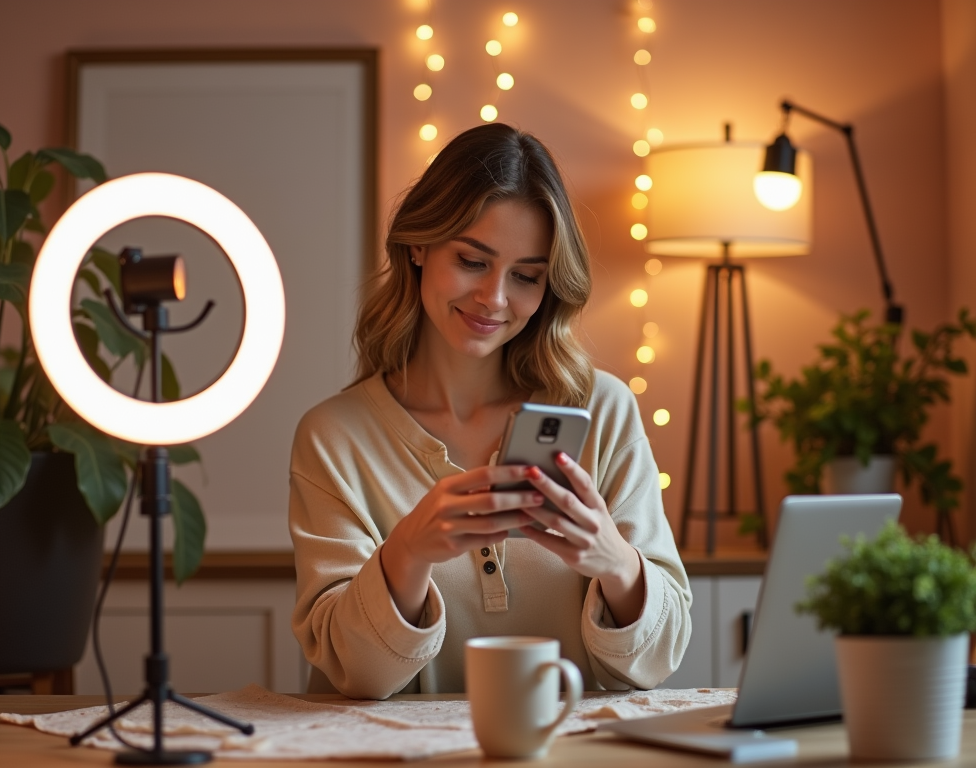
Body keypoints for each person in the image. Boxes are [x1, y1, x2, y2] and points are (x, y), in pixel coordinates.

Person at [288, 123, 691, 699]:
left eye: (526, 276)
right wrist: (408, 552)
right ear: (418, 246)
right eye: (473, 261)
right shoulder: (334, 437)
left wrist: (616, 562)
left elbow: (660, 661)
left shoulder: (601, 410)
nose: (495, 299)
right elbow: (353, 674)